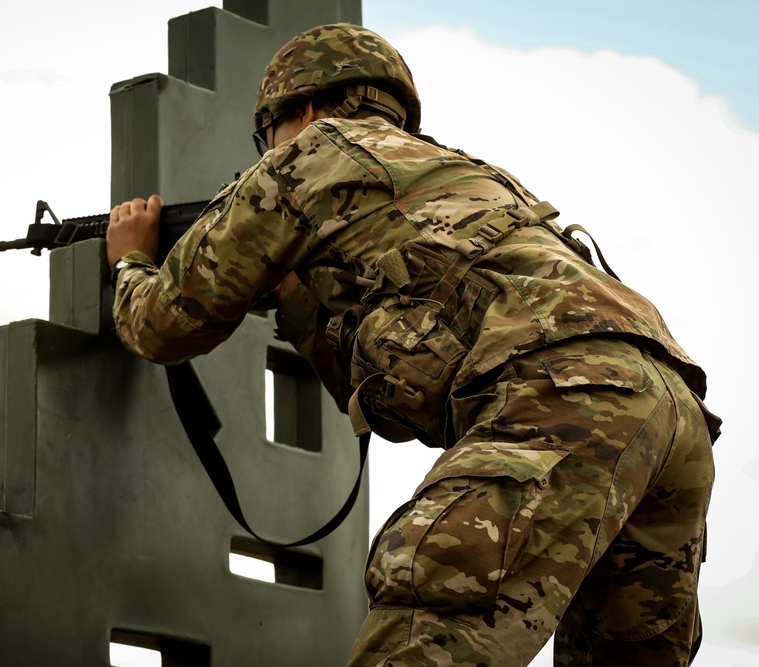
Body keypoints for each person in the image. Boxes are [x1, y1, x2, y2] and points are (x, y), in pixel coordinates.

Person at [105, 23, 719, 667]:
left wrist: (131, 263)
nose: (270, 151)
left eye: (267, 137)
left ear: (303, 109)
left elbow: (163, 326)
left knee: (425, 628)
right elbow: (398, 399)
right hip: (671, 409)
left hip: (567, 390)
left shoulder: (305, 156)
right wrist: (297, 299)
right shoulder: (464, 177)